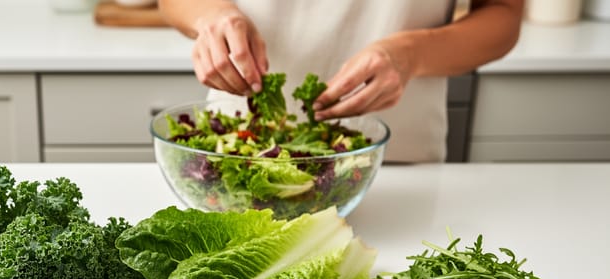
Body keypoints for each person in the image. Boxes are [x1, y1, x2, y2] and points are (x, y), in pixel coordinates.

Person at [157, 0, 524, 162]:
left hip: (395, 155)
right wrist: (213, 16)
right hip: (238, 149)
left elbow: (503, 15)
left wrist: (411, 53)